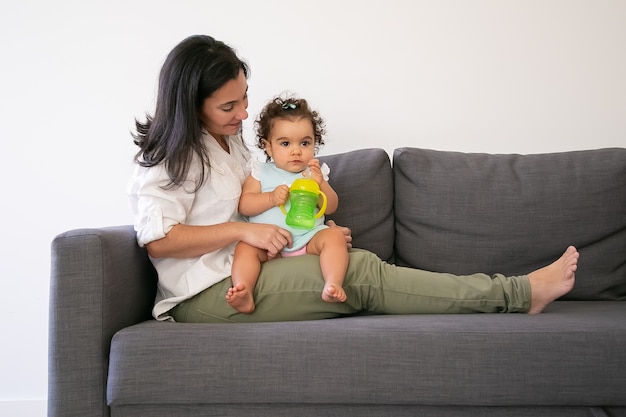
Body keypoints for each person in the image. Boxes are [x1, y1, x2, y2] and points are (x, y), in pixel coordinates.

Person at [128, 34, 579, 324]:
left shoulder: (235, 146)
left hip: (250, 266)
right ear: (191, 104)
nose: (243, 113)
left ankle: (515, 292)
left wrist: (309, 232)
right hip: (206, 294)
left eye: (244, 98)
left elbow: (267, 208)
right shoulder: (169, 157)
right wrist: (247, 229)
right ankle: (518, 294)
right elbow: (159, 240)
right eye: (229, 107)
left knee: (346, 254)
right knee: (361, 272)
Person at [228, 96, 348, 314]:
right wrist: (271, 198)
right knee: (245, 248)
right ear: (268, 147)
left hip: (307, 239)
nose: (296, 151)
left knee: (334, 237)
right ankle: (243, 289)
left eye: (305, 143)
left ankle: (333, 283)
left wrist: (321, 185)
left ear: (315, 143)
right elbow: (244, 205)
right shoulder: (260, 172)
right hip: (267, 246)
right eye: (285, 143)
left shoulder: (314, 173)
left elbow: (331, 207)